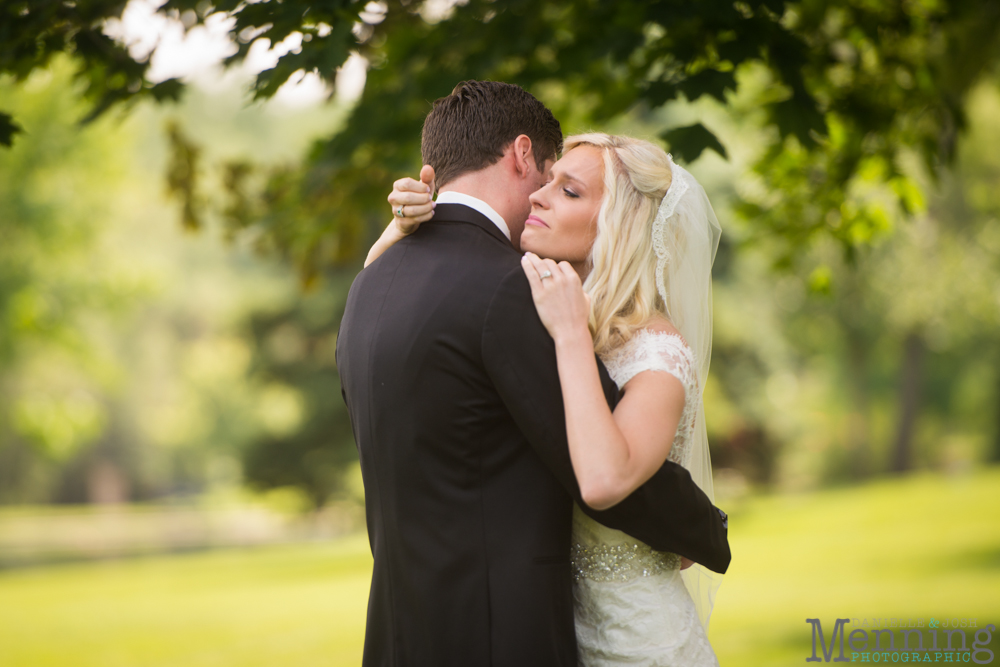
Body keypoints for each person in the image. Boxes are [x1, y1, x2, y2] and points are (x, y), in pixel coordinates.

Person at [336, 80, 729, 667]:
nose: (541, 196)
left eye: (566, 191)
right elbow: (595, 473)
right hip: (500, 633)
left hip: (408, 632)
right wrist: (702, 530)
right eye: (548, 177)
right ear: (523, 154)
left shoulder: (373, 285)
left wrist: (396, 233)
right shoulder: (508, 291)